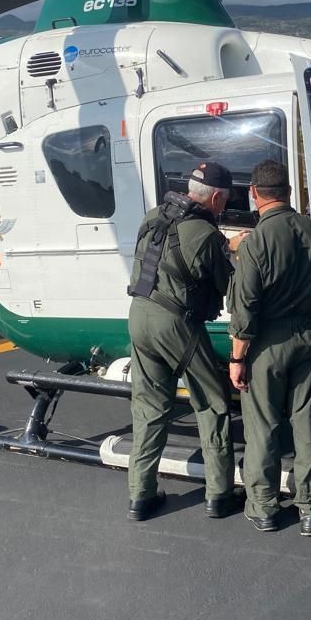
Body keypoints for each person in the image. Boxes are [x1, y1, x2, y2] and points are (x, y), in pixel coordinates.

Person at [126, 162, 241, 522]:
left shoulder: (154, 216)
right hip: (174, 324)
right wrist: (233, 249)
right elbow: (230, 287)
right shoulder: (206, 235)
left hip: (138, 316)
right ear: (217, 197)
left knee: (149, 408)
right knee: (212, 402)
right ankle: (219, 494)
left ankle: (140, 496)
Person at [228, 159, 311, 537]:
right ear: (287, 192)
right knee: (307, 424)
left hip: (267, 343)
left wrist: (237, 358)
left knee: (264, 426)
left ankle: (265, 507)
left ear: (254, 194)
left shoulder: (255, 242)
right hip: (310, 335)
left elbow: (246, 307)